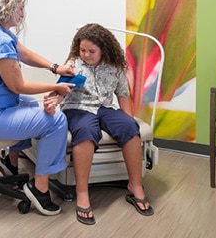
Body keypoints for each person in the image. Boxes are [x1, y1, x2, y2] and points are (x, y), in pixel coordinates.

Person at [0, 0, 75, 216]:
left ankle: (11, 164)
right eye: (21, 9)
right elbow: (18, 85)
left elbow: (22, 52)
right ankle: (40, 188)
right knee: (56, 120)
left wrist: (55, 67)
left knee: (31, 105)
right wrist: (57, 87)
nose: (23, 14)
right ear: (7, 9)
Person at [58, 23, 154, 225]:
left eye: (91, 51)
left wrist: (130, 121)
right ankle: (82, 193)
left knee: (129, 128)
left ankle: (135, 186)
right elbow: (60, 89)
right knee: (86, 130)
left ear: (104, 49)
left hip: (105, 107)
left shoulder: (116, 67)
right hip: (78, 107)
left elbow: (123, 95)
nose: (86, 55)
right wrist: (54, 101)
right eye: (82, 50)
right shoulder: (74, 64)